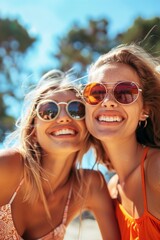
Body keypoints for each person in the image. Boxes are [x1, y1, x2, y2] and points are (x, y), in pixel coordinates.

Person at [0, 69, 120, 240]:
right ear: (33, 129)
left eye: (76, 110)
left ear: (88, 126)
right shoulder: (7, 165)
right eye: (49, 110)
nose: (64, 118)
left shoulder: (90, 186)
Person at [81, 43, 160, 240]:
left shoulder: (156, 170)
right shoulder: (111, 190)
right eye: (96, 92)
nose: (107, 101)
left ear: (145, 111)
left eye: (125, 92)